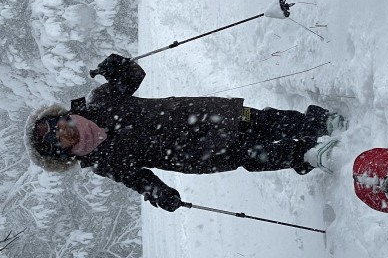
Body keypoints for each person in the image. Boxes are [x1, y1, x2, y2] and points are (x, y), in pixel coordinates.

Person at [24, 54, 347, 211]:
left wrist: (117, 67)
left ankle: (316, 124)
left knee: (261, 121)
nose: (67, 135)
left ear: (63, 117)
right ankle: (305, 154)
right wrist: (160, 195)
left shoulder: (100, 100)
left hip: (200, 115)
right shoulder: (103, 162)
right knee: (252, 156)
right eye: (61, 142)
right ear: (65, 155)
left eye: (61, 128)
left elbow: (134, 76)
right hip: (194, 155)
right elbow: (140, 180)